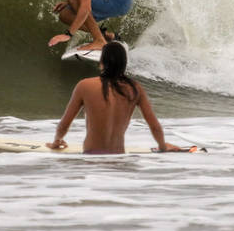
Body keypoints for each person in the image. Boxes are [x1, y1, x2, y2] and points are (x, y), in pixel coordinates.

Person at [48, 41, 181, 153]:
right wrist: (163, 147)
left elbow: (64, 124)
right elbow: (154, 126)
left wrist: (57, 141)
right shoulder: (135, 88)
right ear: (124, 63)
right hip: (119, 161)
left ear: (102, 61)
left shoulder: (85, 86)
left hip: (91, 159)